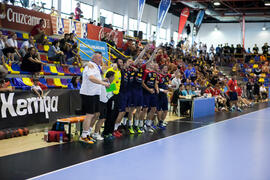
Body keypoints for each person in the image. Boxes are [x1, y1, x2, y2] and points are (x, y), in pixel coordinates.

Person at [79, 51, 110, 144]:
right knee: (90, 114)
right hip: (88, 93)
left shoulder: (97, 66)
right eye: (100, 58)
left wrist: (103, 80)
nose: (101, 59)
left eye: (101, 57)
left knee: (97, 114)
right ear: (94, 58)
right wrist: (102, 83)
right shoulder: (90, 65)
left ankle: (88, 133)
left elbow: (97, 77)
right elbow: (91, 78)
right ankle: (83, 136)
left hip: (96, 93)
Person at [90, 71, 115, 141]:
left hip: (105, 103)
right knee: (95, 117)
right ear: (110, 77)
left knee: (103, 119)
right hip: (99, 102)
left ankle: (96, 133)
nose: (114, 78)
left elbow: (110, 95)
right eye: (113, 77)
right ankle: (88, 133)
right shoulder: (102, 82)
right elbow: (96, 82)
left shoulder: (110, 84)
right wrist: (103, 80)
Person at [103, 59, 123, 139]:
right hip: (110, 97)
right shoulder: (110, 70)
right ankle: (106, 132)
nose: (121, 63)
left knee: (114, 114)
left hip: (116, 95)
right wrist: (112, 91)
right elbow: (106, 82)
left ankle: (111, 132)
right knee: (109, 115)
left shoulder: (119, 71)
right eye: (120, 62)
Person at [157, 65, 171, 129]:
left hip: (165, 94)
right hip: (159, 94)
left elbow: (166, 84)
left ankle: (161, 122)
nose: (166, 69)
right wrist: (162, 90)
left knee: (165, 110)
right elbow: (156, 85)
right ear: (161, 69)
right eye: (165, 68)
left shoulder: (166, 76)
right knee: (159, 109)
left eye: (167, 68)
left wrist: (170, 86)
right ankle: (159, 123)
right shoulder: (158, 76)